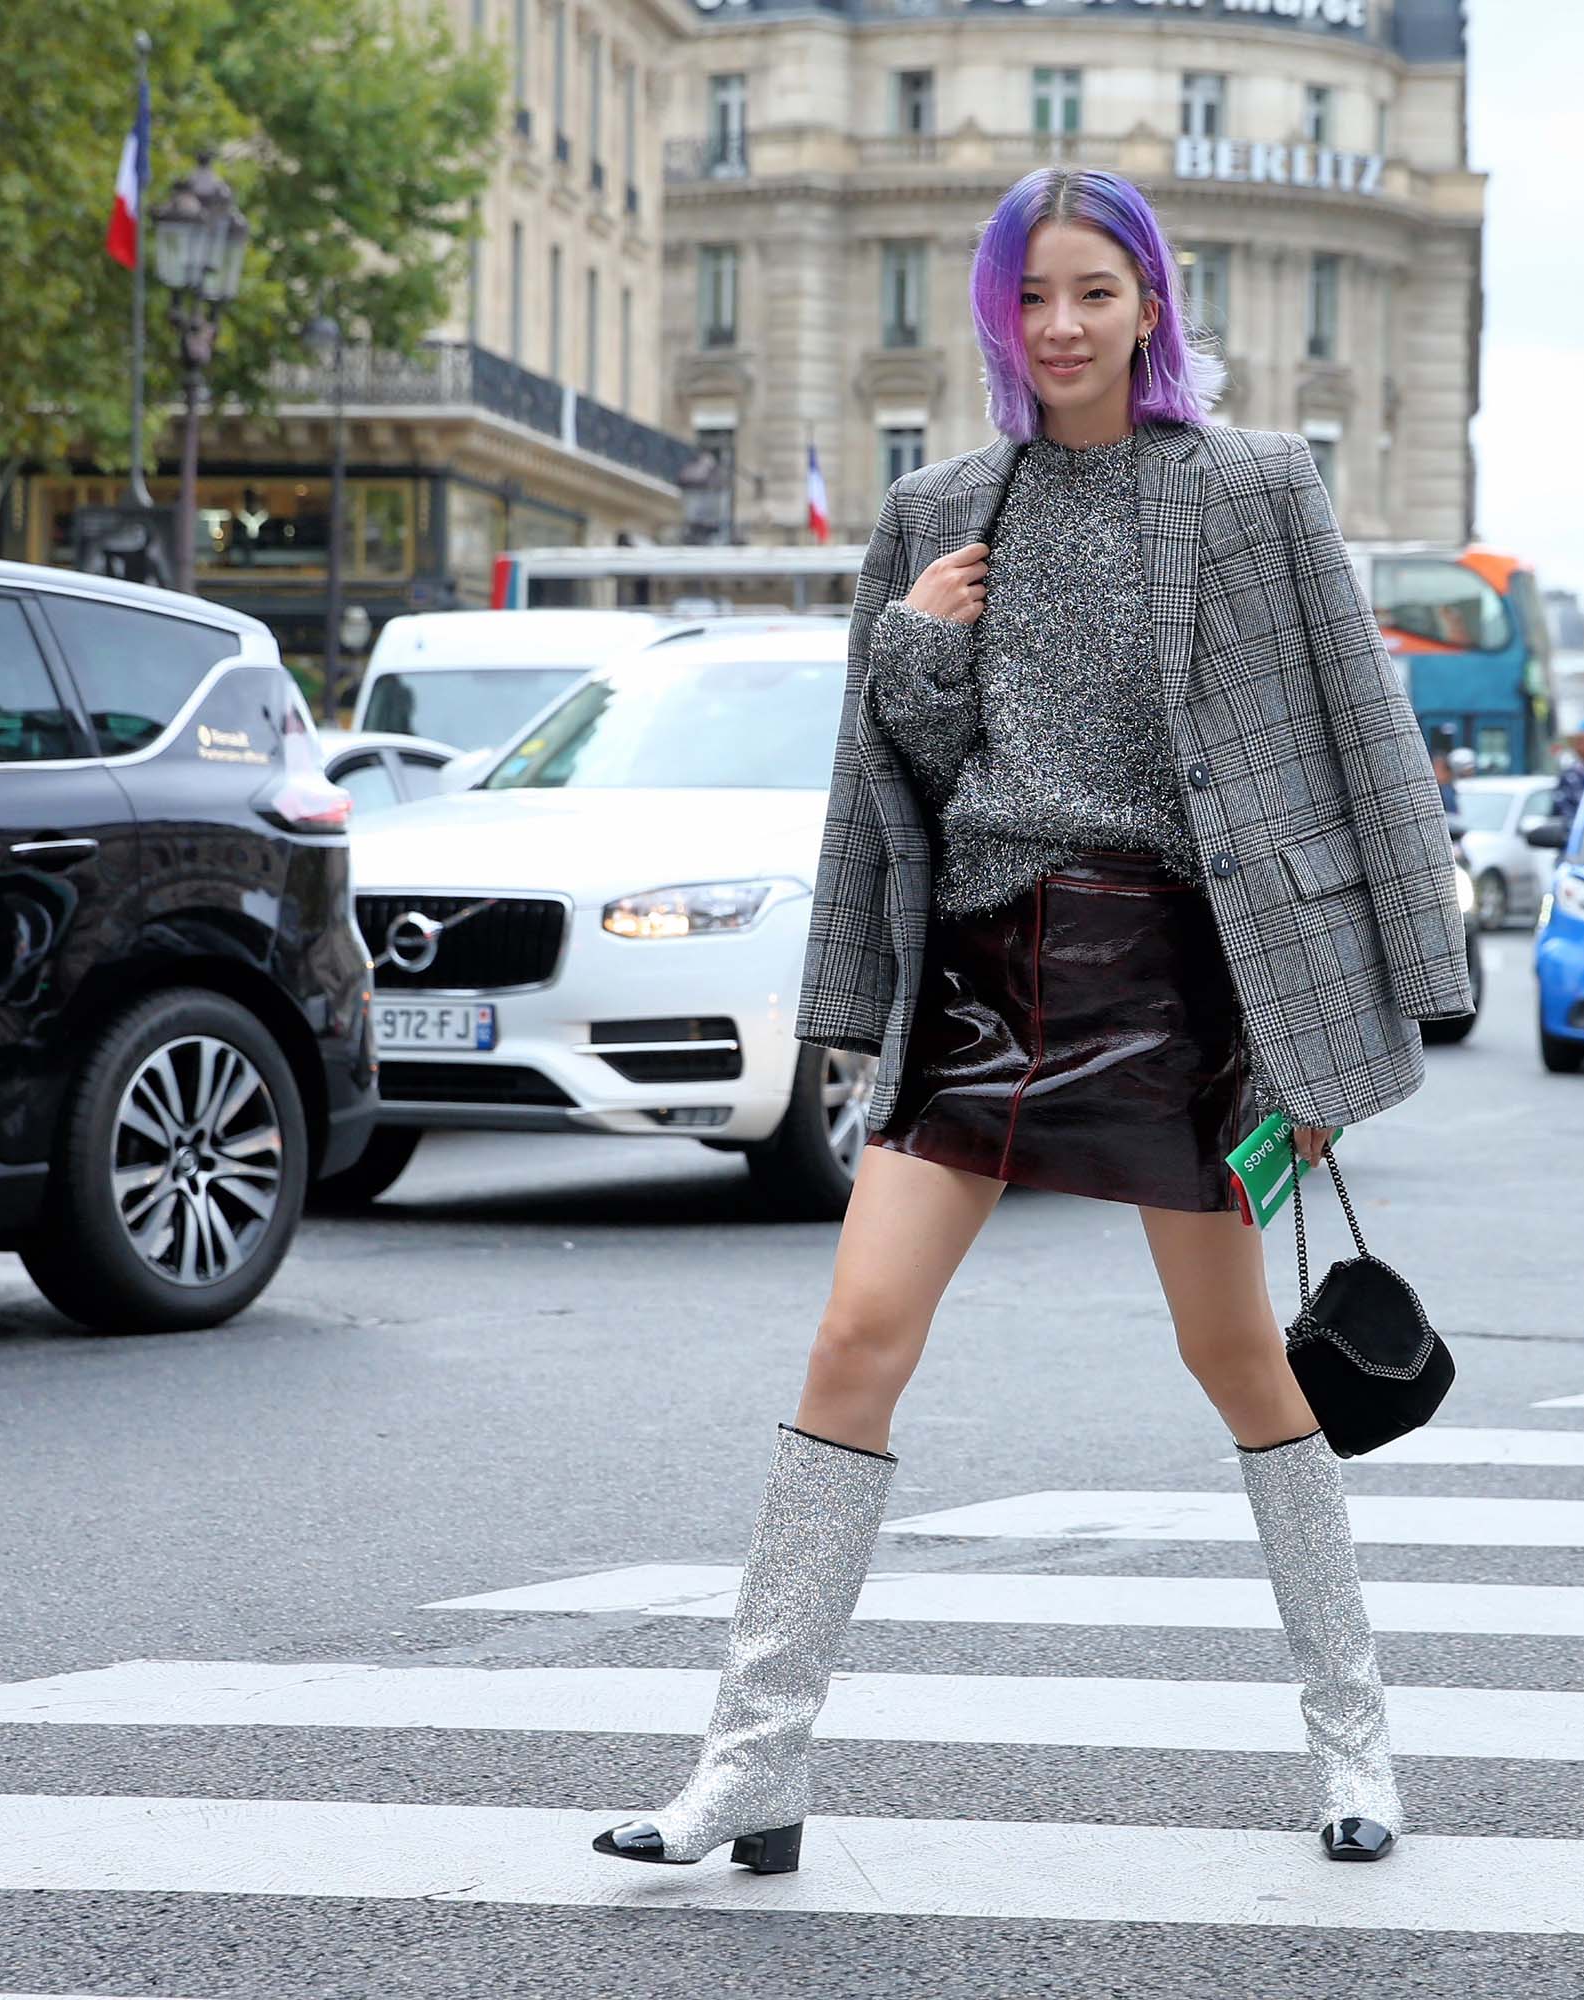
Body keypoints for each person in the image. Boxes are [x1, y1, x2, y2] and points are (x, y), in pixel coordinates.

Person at [592, 166, 1469, 1878]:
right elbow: (892, 782)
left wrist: (1380, 1008)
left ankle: (1354, 1743)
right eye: (1032, 299)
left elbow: (1367, 735)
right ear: (998, 317)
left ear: (1152, 304)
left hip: (1177, 987)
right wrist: (908, 651)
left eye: (1093, 293)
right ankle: (750, 1770)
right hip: (990, 979)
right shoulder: (938, 506)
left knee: (1235, 1363)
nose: (1060, 327)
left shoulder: (1253, 489)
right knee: (853, 1341)